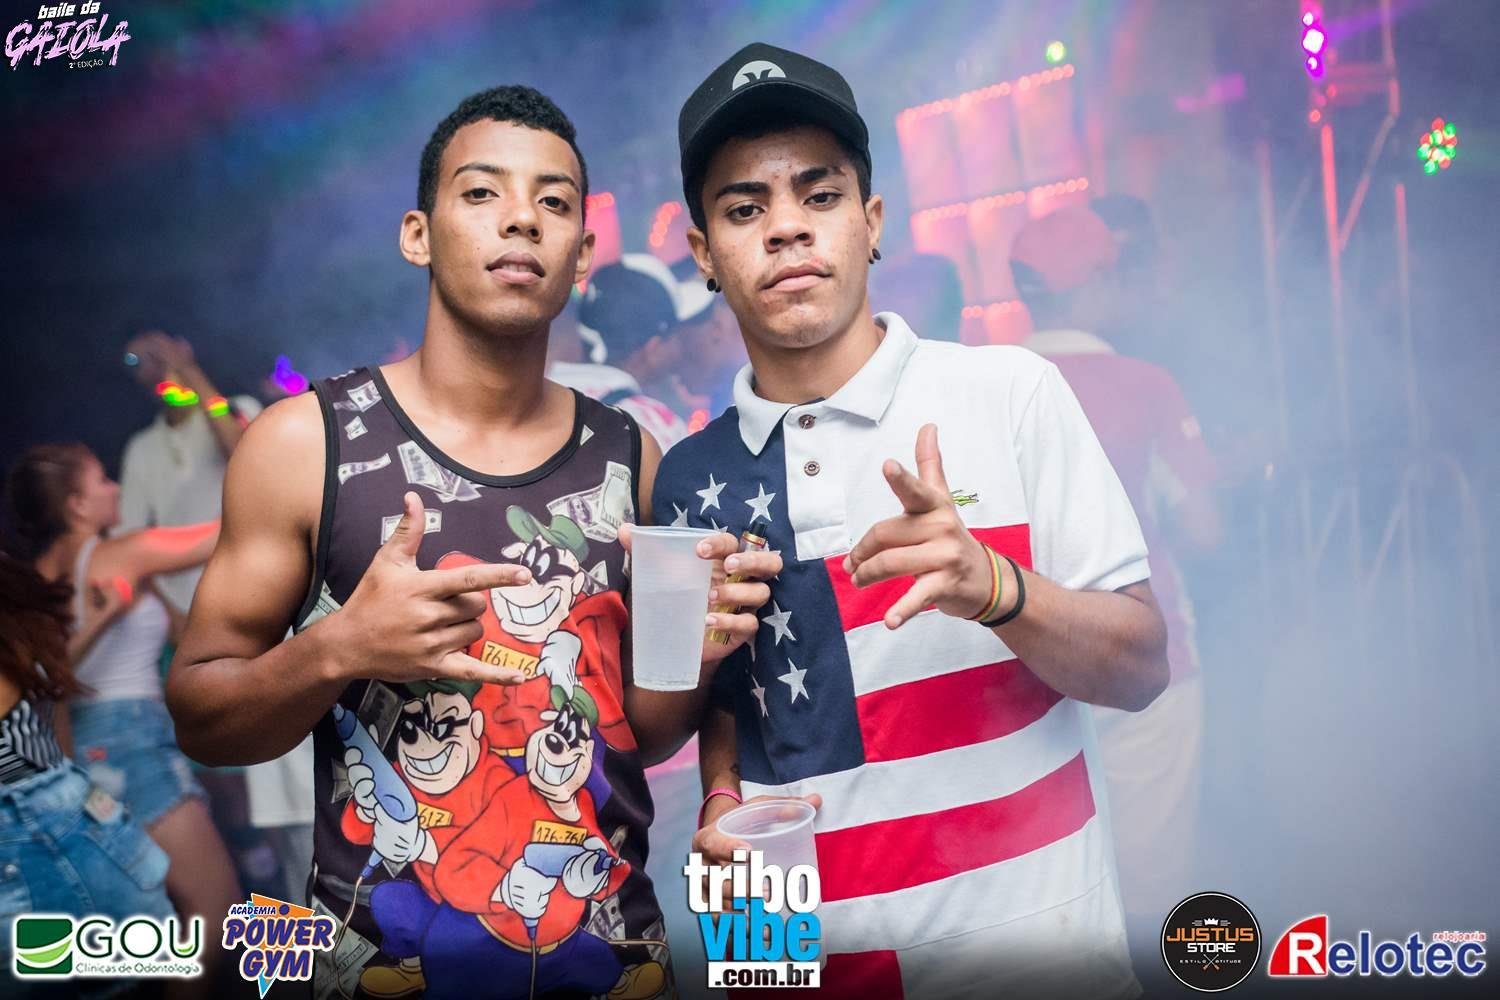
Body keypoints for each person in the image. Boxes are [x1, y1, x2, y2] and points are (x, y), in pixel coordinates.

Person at [164, 85, 778, 1000]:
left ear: (580, 257)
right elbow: (200, 719)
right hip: (386, 973)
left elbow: (635, 738)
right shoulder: (306, 445)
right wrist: (339, 648)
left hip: (610, 965)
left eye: (554, 202)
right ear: (418, 235)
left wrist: (694, 650)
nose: (522, 218)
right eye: (483, 192)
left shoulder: (629, 457)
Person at [652, 43, 1169, 999]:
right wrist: (719, 796)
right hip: (787, 954)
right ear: (704, 254)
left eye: (820, 195)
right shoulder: (686, 478)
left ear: (872, 221)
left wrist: (997, 588)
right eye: (744, 209)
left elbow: (1142, 670)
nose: (786, 228)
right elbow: (715, 704)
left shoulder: (1009, 394)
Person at [1012, 204, 1220, 955]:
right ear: (1100, 282)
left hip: (1024, 668)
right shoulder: (1146, 384)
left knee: (1052, 885)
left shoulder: (992, 386)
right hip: (1146, 664)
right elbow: (1205, 529)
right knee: (1153, 890)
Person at [4, 442, 243, 994]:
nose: (115, 487)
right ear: (77, 505)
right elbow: (225, 533)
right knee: (213, 910)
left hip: (78, 749)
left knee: (149, 913)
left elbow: (43, 678)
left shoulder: (33, 579)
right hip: (131, 739)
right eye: (101, 480)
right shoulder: (124, 553)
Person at [0, 550, 176, 993]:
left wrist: (103, 616)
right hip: (56, 826)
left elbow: (50, 681)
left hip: (67, 819)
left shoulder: (17, 613)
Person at [118, 330, 263, 618]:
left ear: (183, 348)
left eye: (156, 353)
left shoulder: (239, 408)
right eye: (136, 361)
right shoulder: (140, 448)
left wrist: (186, 368)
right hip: (184, 606)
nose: (151, 367)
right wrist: (171, 616)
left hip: (251, 589)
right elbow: (129, 541)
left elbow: (243, 455)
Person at [548, 253, 702, 450]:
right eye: (674, 336)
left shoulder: (532, 399)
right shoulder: (653, 427)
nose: (679, 348)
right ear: (653, 348)